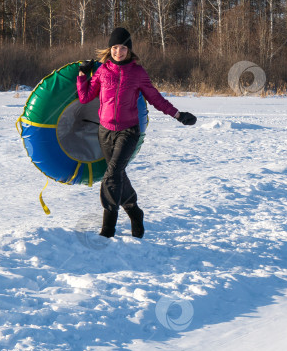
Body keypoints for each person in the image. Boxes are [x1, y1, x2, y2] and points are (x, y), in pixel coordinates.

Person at [76, 27, 197, 239]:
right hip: (104, 131)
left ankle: (107, 230)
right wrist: (82, 75)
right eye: (115, 47)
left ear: (129, 50)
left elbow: (156, 99)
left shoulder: (137, 73)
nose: (118, 52)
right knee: (118, 174)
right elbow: (85, 97)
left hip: (128, 131)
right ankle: (134, 212)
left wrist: (178, 115)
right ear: (110, 49)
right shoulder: (103, 72)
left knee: (112, 175)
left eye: (123, 48)